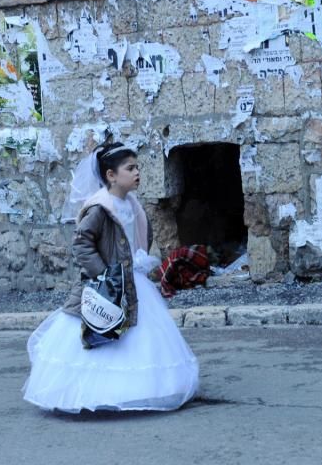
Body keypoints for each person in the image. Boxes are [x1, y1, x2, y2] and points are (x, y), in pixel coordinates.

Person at [22, 142, 199, 413]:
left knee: (138, 335)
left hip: (132, 280)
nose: (137, 172)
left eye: (137, 167)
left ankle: (141, 390)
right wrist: (104, 274)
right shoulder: (100, 208)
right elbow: (82, 244)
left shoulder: (132, 204)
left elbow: (136, 238)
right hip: (110, 281)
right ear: (111, 175)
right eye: (130, 168)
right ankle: (96, 392)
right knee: (102, 330)